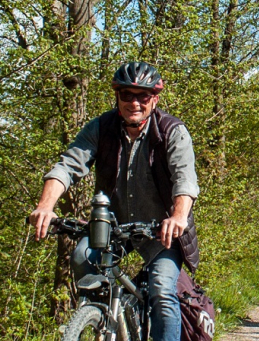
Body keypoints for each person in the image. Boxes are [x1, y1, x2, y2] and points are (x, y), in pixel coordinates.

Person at [28, 61, 199, 341]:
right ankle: (106, 316)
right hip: (115, 227)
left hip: (161, 231)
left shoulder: (171, 131)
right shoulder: (101, 128)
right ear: (117, 97)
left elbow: (185, 179)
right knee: (82, 257)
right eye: (127, 95)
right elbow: (67, 167)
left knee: (162, 292)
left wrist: (178, 216)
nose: (135, 102)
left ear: (154, 99)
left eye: (143, 96)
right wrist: (45, 206)